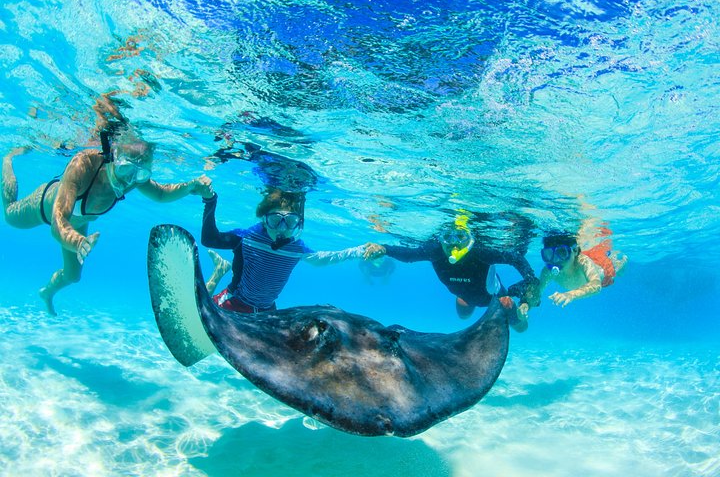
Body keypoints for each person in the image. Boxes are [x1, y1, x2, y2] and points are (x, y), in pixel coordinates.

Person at [1, 98, 212, 315]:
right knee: (9, 214)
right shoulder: (83, 164)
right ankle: (8, 158)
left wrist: (190, 186)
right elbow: (58, 222)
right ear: (113, 155)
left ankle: (46, 293)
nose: (129, 179)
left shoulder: (132, 176)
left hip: (79, 223)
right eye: (125, 169)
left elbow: (160, 193)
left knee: (73, 276)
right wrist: (77, 241)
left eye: (140, 174)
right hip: (45, 208)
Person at [200, 187, 376, 313]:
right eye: (275, 220)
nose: (281, 229)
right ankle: (219, 271)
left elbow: (322, 259)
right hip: (235, 301)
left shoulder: (296, 247)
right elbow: (209, 239)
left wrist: (357, 251)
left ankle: (221, 267)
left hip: (268, 310)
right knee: (201, 312)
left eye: (290, 222)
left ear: (298, 223)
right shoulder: (247, 238)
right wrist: (210, 200)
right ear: (264, 218)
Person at [366, 215, 540, 332]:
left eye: (461, 239)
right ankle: (466, 300)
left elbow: (515, 257)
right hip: (464, 296)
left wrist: (530, 278)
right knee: (463, 315)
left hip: (495, 297)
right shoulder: (434, 251)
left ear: (469, 241)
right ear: (441, 239)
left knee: (519, 326)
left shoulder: (481, 253)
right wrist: (384, 249)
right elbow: (410, 255)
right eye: (448, 238)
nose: (454, 245)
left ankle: (520, 318)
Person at [518, 226, 628, 319]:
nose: (555, 260)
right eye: (548, 254)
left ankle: (618, 261)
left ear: (575, 251)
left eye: (562, 252)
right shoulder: (548, 271)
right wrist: (526, 304)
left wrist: (571, 294)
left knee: (617, 271)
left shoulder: (582, 261)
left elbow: (596, 284)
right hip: (583, 282)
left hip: (602, 275)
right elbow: (537, 292)